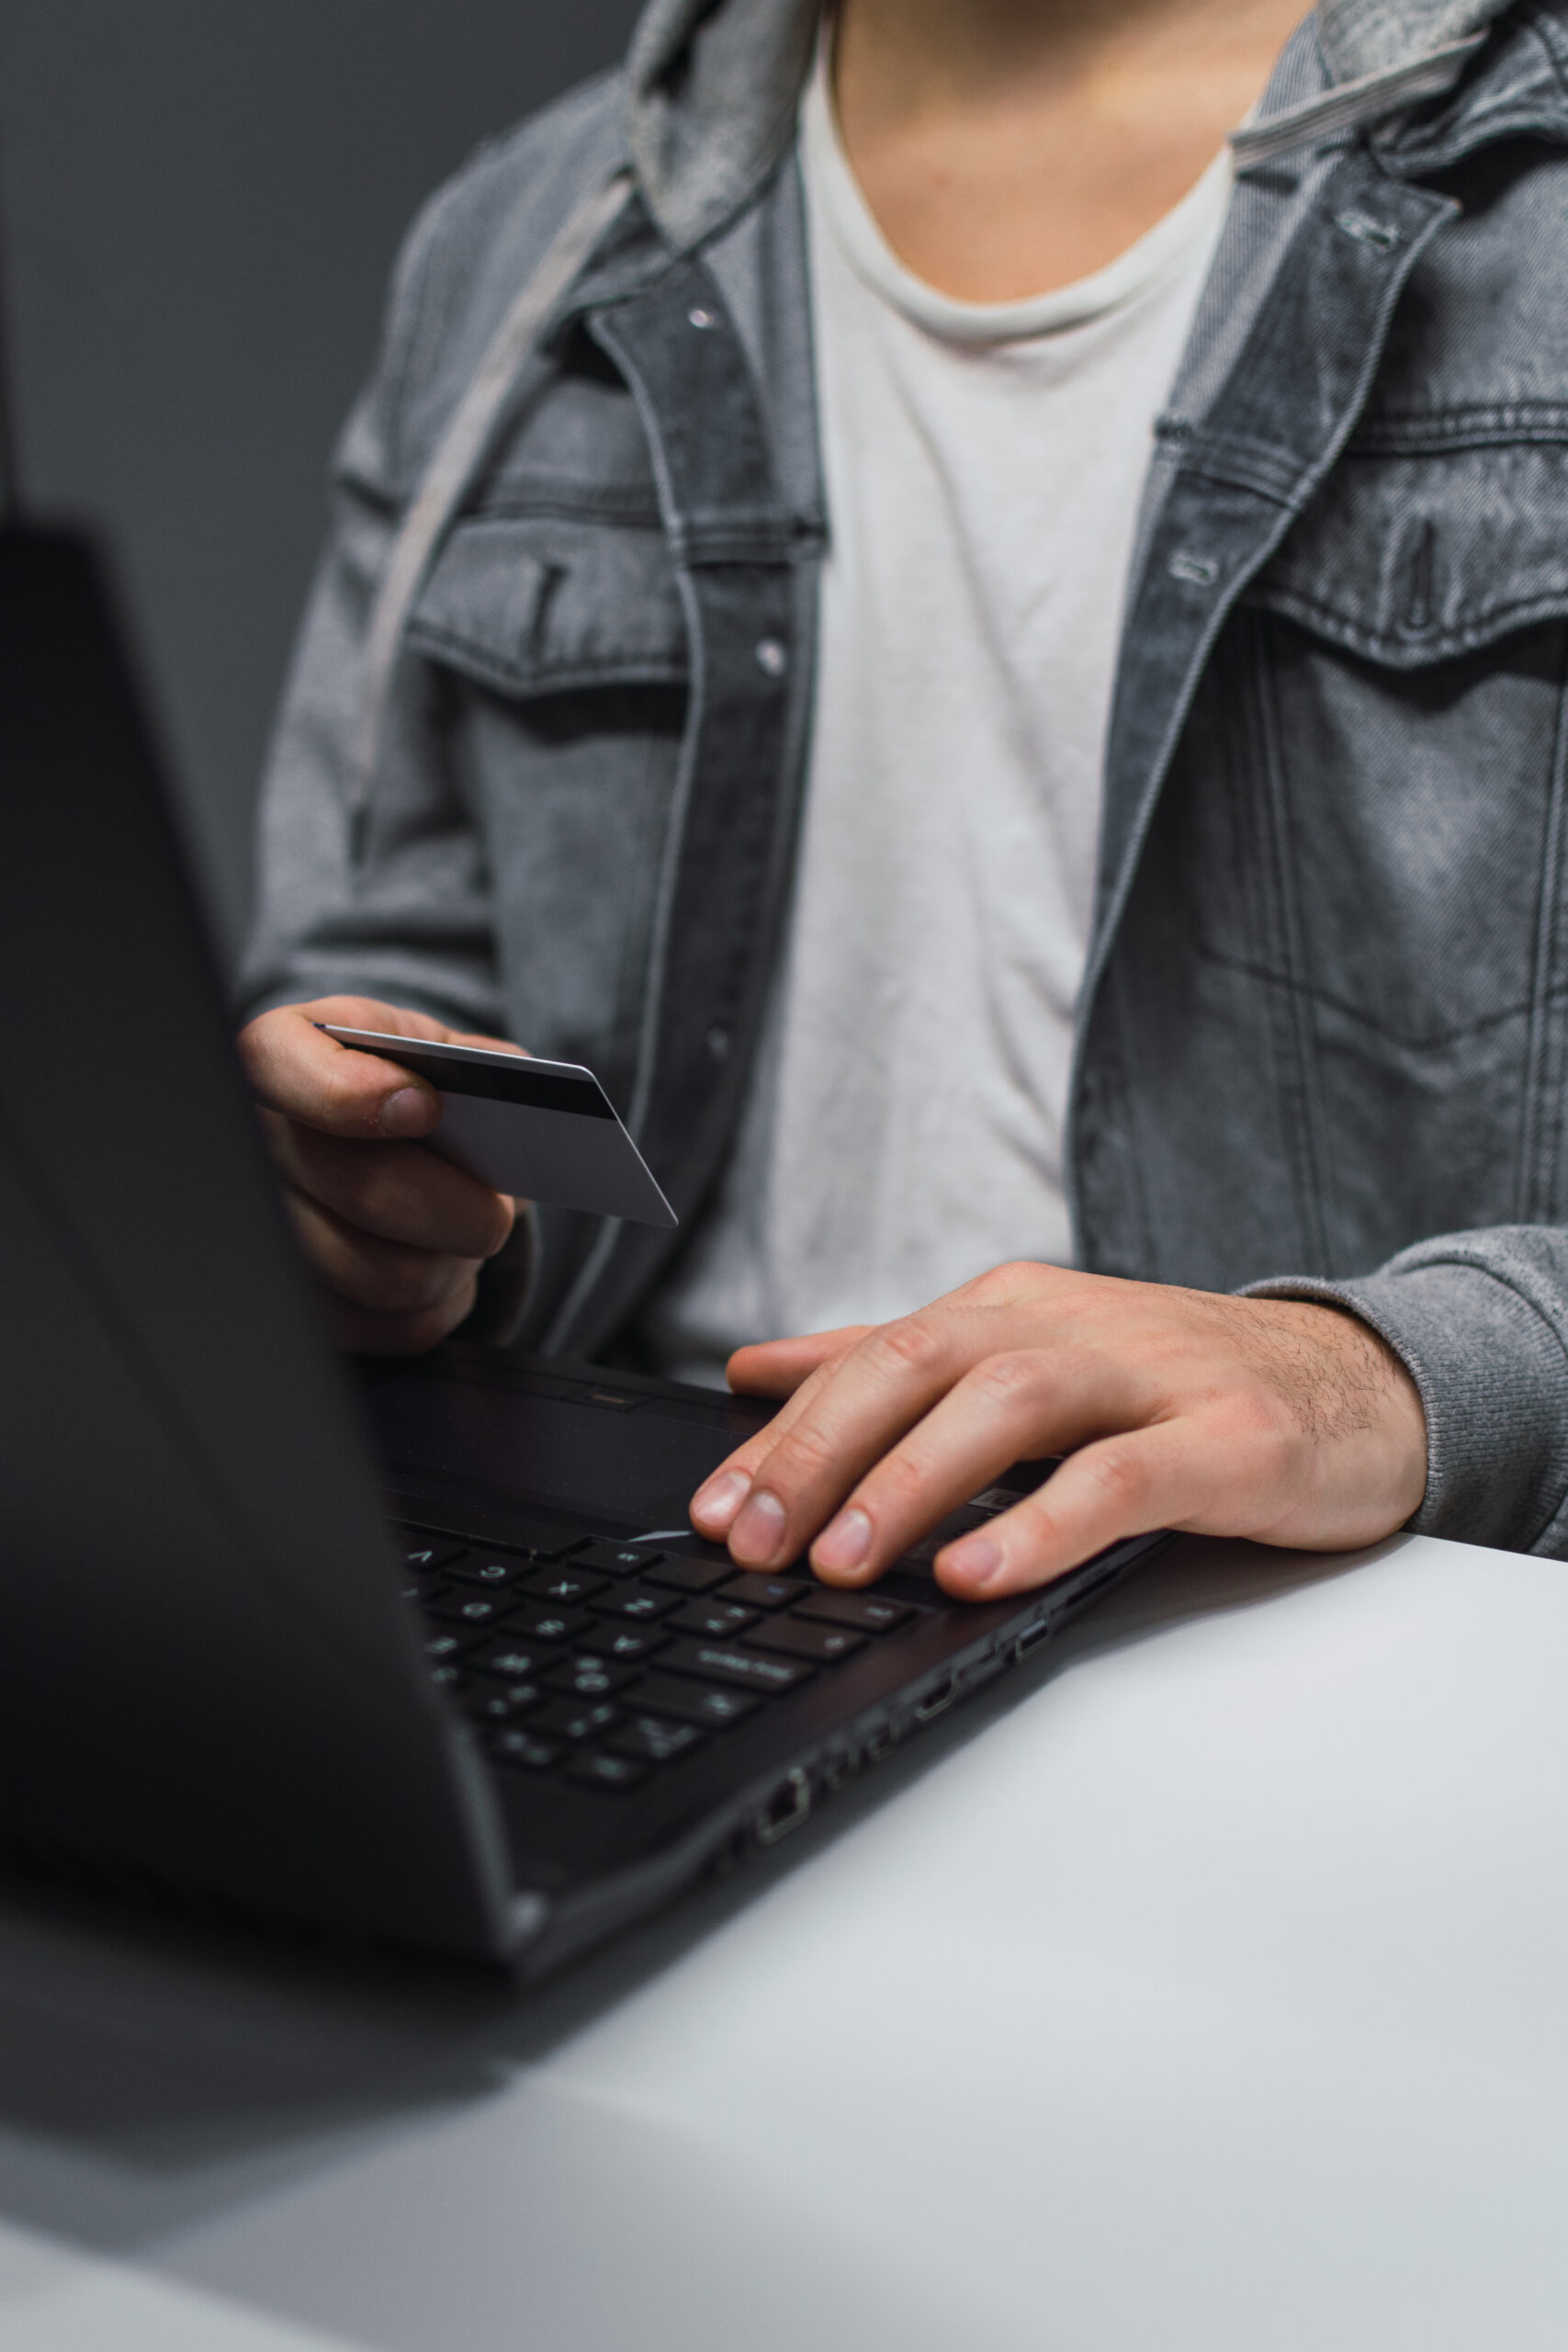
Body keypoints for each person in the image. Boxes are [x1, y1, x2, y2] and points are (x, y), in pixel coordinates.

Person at [239, 0, 1568, 1603]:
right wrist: (368, 1218)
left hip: (1330, 1638)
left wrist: (1379, 1378)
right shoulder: (522, 245)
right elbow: (389, 989)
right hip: (648, 1586)